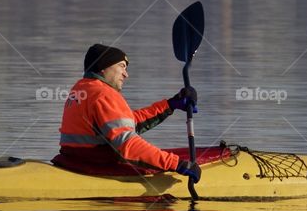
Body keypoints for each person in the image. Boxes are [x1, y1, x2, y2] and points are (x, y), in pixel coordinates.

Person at [52, 44, 201, 182]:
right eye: (122, 66)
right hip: (97, 167)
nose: (126, 74)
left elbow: (126, 123)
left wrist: (170, 105)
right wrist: (176, 163)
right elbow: (128, 144)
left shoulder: (81, 89)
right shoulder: (104, 94)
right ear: (103, 67)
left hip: (73, 161)